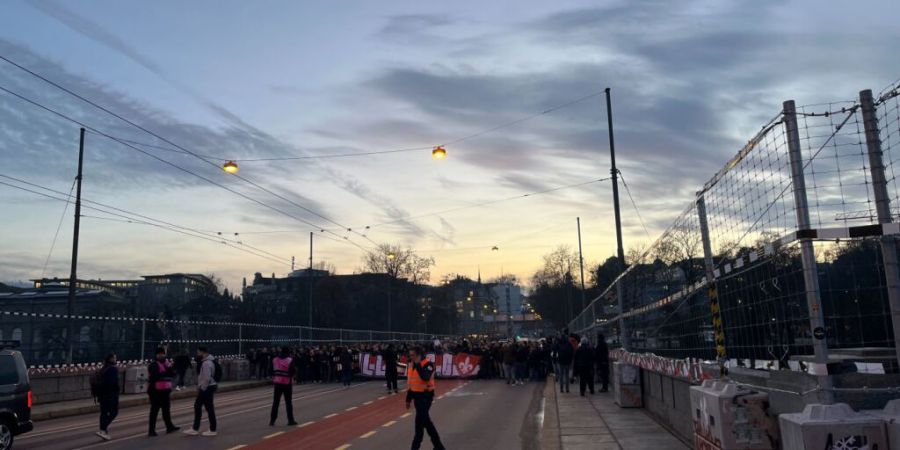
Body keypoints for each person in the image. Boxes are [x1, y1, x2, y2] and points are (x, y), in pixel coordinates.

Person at [406, 346, 445, 450]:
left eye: (413, 355)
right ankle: (439, 446)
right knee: (426, 422)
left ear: (419, 355)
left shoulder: (427, 364)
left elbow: (425, 377)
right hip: (416, 397)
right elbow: (411, 383)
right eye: (410, 355)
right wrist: (408, 399)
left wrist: (418, 365)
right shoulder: (411, 365)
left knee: (419, 424)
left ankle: (416, 447)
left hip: (425, 397)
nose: (411, 357)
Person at [184, 346, 217, 437]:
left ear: (204, 353)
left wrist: (201, 388)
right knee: (206, 407)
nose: (198, 354)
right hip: (210, 387)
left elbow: (206, 378)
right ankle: (201, 428)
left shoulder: (206, 363)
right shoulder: (211, 361)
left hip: (206, 388)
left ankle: (201, 428)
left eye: (199, 353)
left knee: (201, 407)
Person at [147, 347, 180, 436]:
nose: (162, 355)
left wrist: (171, 368)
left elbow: (173, 373)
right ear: (157, 355)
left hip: (165, 391)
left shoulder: (167, 364)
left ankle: (169, 427)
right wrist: (166, 374)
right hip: (155, 391)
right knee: (154, 411)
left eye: (163, 354)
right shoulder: (153, 365)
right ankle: (151, 430)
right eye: (160, 354)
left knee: (166, 410)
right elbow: (155, 376)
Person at [270, 347, 298, 426]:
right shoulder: (290, 360)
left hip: (277, 382)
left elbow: (271, 370)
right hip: (286, 383)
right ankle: (290, 420)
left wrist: (275, 376)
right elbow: (293, 371)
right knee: (288, 402)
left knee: (276, 402)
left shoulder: (275, 359)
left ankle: (272, 420)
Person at [95, 353, 119, 441]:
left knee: (104, 413)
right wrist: (116, 393)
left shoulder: (103, 368)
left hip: (101, 395)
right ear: (111, 359)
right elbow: (113, 383)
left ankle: (104, 431)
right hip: (110, 395)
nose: (116, 359)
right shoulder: (113, 369)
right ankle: (103, 429)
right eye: (115, 358)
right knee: (114, 412)